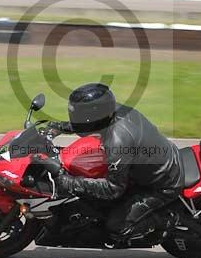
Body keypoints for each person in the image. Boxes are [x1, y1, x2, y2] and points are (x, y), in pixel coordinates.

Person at [48, 83, 183, 247]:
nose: (76, 119)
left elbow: (113, 189)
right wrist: (60, 127)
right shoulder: (112, 112)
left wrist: (69, 182)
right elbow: (89, 123)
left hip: (162, 184)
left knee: (117, 227)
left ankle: (166, 221)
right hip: (151, 163)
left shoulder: (118, 141)